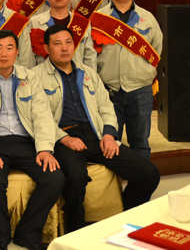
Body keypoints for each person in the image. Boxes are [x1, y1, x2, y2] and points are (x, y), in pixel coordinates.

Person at [37, 25, 159, 233]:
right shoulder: (35, 77)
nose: (64, 48)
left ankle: (122, 220)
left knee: (148, 174)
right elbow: (38, 118)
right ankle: (76, 230)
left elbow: (106, 107)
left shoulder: (88, 73)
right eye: (57, 44)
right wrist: (63, 138)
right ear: (47, 48)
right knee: (75, 178)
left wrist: (109, 134)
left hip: (96, 134)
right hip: (63, 137)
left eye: (68, 42)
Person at [0, 30, 64, 250]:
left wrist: (45, 149)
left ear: (17, 51)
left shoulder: (29, 77)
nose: (4, 53)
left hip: (26, 142)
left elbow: (42, 116)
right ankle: (0, 237)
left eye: (9, 48)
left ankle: (27, 233)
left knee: (55, 178)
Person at [92, 0, 162, 160]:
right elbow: (89, 55)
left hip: (140, 89)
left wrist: (144, 73)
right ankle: (114, 180)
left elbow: (156, 51)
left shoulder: (148, 18)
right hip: (108, 90)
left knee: (140, 142)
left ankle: (141, 179)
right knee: (108, 142)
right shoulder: (98, 19)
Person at [23, 0, 95, 70]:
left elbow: (90, 57)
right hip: (44, 76)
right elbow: (29, 57)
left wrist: (89, 77)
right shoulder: (34, 22)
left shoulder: (82, 23)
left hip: (77, 75)